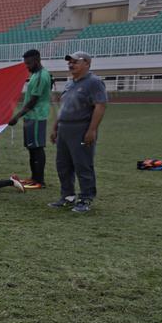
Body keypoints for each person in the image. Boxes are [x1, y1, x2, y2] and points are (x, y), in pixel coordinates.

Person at [48, 51, 107, 214]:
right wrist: (55, 127)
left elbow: (100, 106)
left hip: (81, 128)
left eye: (75, 62)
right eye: (70, 62)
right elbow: (64, 109)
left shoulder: (94, 82)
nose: (71, 64)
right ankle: (67, 196)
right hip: (64, 129)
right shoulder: (70, 84)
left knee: (82, 164)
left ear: (87, 63)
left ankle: (85, 198)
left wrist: (92, 129)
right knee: (63, 165)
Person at [6, 49, 53, 189]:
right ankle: (34, 177)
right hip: (31, 116)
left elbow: (33, 101)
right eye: (25, 63)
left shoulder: (40, 76)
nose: (27, 66)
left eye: (29, 63)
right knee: (32, 148)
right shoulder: (36, 74)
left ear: (37, 60)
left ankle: (40, 180)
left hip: (37, 117)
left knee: (37, 148)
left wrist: (17, 116)